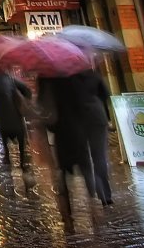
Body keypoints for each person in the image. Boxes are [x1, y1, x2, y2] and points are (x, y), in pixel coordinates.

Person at [41, 64, 113, 206]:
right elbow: (105, 95)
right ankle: (104, 194)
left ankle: (93, 191)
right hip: (97, 116)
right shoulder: (92, 74)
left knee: (84, 156)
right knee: (99, 156)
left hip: (77, 120)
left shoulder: (64, 79)